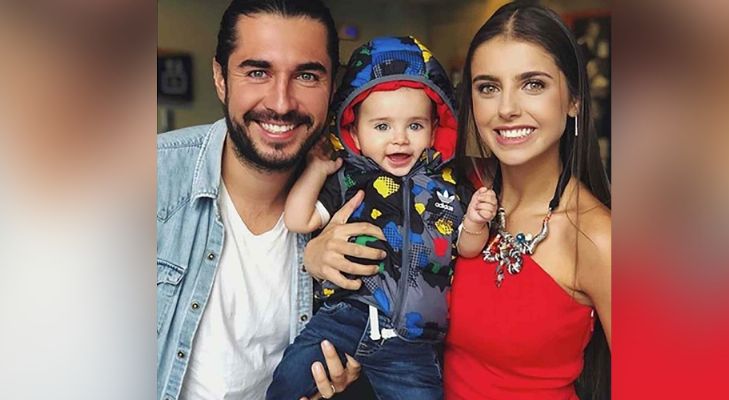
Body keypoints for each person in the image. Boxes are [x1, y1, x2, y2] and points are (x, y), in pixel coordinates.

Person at [156, 1, 369, 399]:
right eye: (258, 72)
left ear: (332, 88)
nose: (281, 103)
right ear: (221, 78)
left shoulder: (355, 201)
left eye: (307, 75)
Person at [268, 35, 492, 400]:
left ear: (435, 129)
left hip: (413, 342)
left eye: (415, 126)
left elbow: (467, 248)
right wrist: (317, 169)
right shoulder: (349, 179)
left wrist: (476, 223)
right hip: (345, 319)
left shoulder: (448, 188)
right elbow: (298, 219)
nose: (399, 139)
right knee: (288, 380)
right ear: (354, 132)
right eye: (382, 126)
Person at [443, 1, 612, 399]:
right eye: (488, 87)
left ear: (573, 99)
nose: (507, 109)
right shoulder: (452, 196)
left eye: (533, 84)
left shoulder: (597, 237)